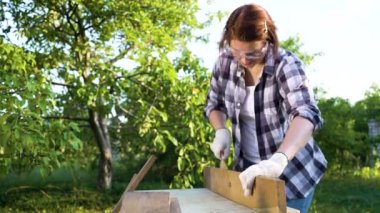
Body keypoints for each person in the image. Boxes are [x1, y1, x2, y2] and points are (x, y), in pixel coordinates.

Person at [204, 3, 327, 213]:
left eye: (252, 53)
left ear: (267, 41)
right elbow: (214, 103)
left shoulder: (286, 65)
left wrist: (278, 160)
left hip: (292, 174)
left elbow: (306, 114)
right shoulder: (225, 63)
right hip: (248, 172)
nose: (243, 60)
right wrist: (221, 130)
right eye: (237, 51)